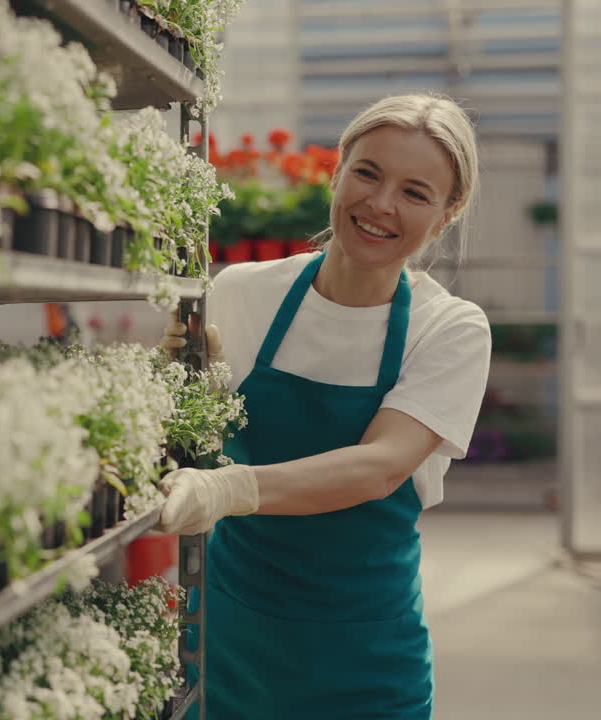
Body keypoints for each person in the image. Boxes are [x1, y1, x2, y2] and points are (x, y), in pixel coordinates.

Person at [158, 93, 493, 719]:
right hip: (231, 651)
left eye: (415, 192)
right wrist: (179, 379)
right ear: (336, 171)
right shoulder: (242, 293)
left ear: (447, 215)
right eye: (367, 173)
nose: (381, 204)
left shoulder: (447, 327)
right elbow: (187, 450)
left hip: (364, 664)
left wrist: (229, 490)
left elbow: (381, 466)